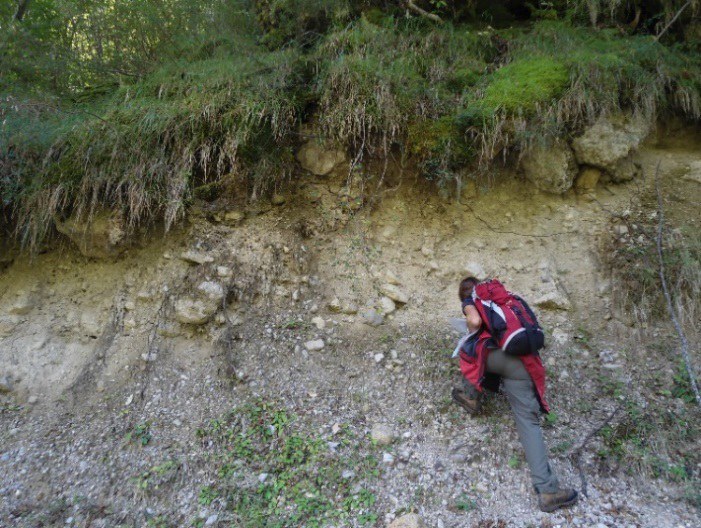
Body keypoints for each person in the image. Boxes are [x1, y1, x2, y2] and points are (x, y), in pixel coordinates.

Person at [451, 276, 579, 513]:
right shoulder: (503, 299)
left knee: (470, 346)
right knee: (528, 423)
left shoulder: (472, 298)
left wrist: (469, 327)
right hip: (525, 365)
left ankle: (470, 397)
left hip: (503, 362)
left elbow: (475, 321)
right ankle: (548, 491)